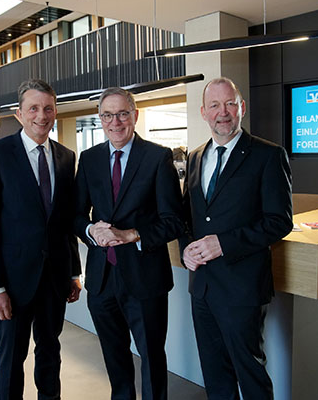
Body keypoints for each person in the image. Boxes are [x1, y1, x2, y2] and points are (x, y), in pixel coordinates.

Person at [181, 77, 293, 400]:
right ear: (203, 112)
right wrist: (186, 248)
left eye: (230, 103)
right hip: (201, 288)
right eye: (214, 105)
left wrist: (223, 243)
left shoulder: (268, 155)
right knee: (215, 378)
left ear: (242, 107)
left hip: (242, 289)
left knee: (251, 376)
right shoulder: (195, 157)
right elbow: (188, 215)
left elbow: (279, 221)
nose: (223, 112)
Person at [74, 87, 185, 400]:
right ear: (100, 119)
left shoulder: (157, 156)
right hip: (101, 279)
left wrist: (132, 234)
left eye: (123, 113)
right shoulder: (90, 158)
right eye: (108, 115)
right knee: (114, 355)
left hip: (145, 277)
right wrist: (89, 229)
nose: (116, 122)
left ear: (135, 116)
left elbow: (174, 221)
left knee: (151, 355)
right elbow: (76, 214)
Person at [0, 79, 82, 400]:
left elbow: (64, 222)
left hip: (54, 280)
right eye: (33, 108)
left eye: (47, 108)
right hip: (13, 283)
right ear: (19, 114)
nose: (41, 115)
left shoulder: (65, 157)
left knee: (50, 353)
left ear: (55, 112)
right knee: (11, 358)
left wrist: (73, 272)